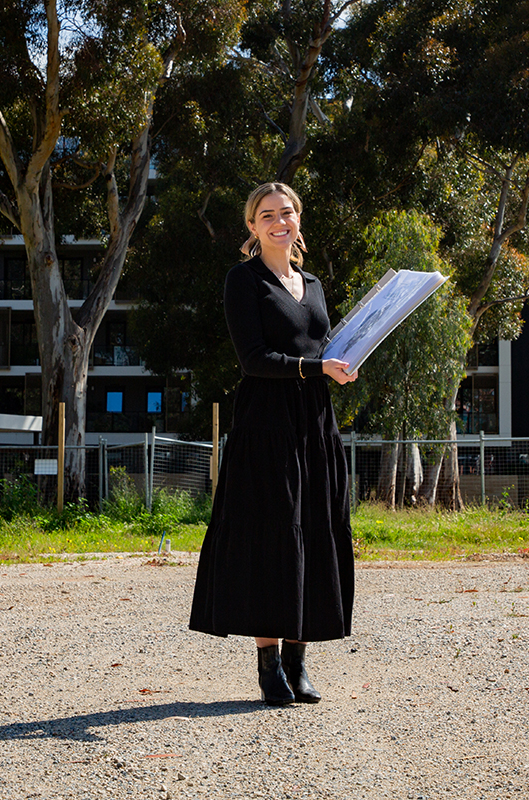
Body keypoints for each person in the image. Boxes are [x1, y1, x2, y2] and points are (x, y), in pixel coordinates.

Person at [189, 182, 358, 706]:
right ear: (252, 226)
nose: (279, 221)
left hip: (314, 424)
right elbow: (254, 359)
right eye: (267, 215)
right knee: (271, 539)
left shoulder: (313, 283)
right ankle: (268, 666)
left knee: (314, 534)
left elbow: (320, 347)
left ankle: (298, 661)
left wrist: (346, 358)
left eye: (287, 212)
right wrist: (316, 367)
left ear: (298, 219)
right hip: (265, 426)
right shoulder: (244, 281)